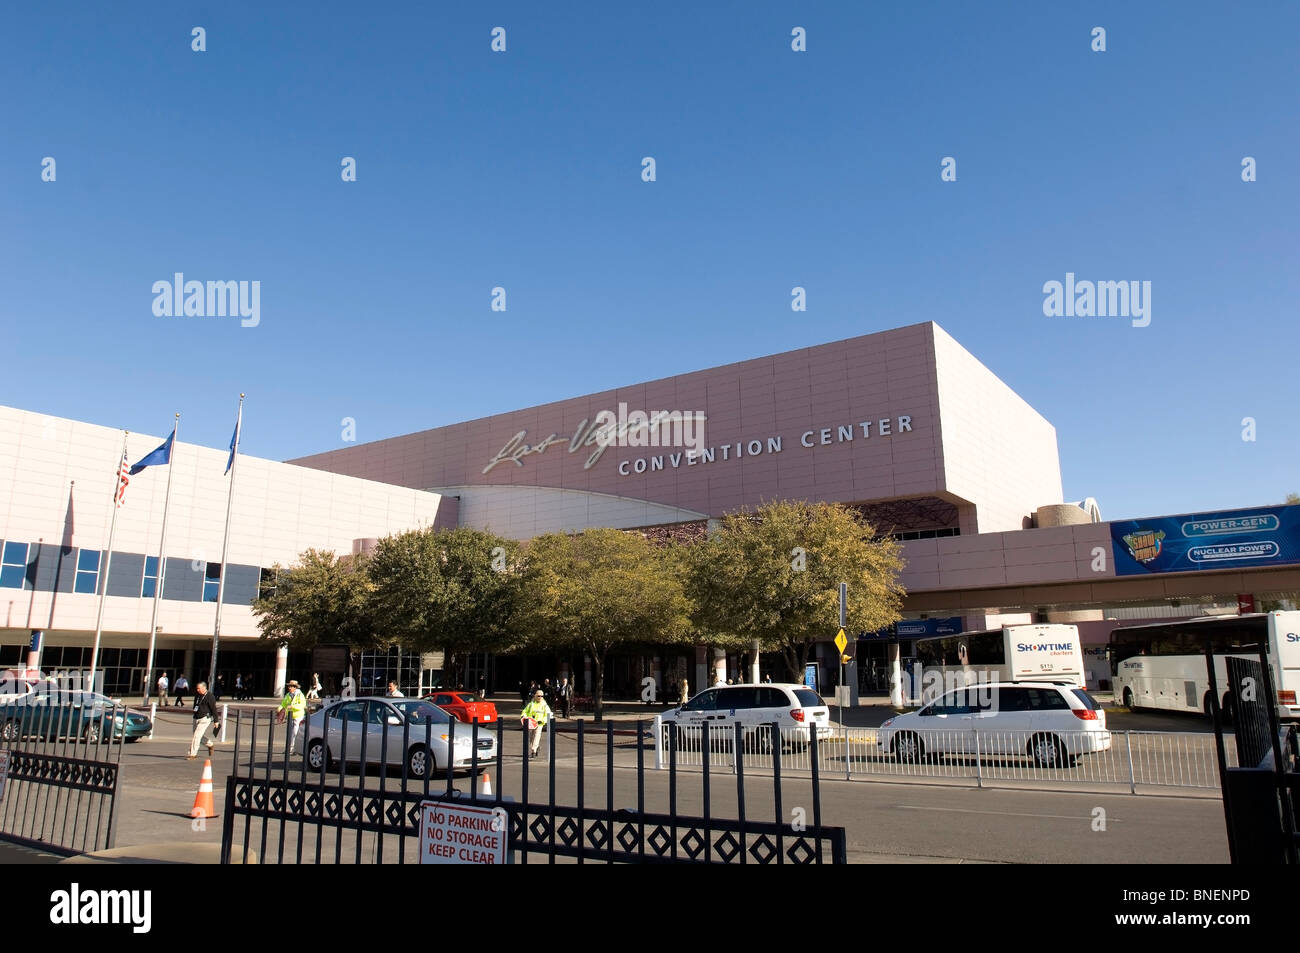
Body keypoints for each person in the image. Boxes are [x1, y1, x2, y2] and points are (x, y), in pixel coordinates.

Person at [188, 681, 220, 760]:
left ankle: (192, 754)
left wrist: (216, 721)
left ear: (204, 688)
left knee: (196, 736)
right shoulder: (197, 695)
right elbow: (195, 705)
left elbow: (214, 709)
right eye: (197, 688)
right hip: (196, 717)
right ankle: (210, 744)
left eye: (199, 688)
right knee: (197, 735)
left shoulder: (210, 696)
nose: (197, 690)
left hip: (205, 718)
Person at [521, 689, 553, 759]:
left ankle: (533, 751)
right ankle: (536, 747)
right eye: (538, 696)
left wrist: (542, 721)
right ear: (535, 696)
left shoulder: (544, 705)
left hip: (539, 724)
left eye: (542, 696)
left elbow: (548, 714)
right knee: (531, 738)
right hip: (531, 723)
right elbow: (525, 711)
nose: (540, 697)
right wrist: (523, 716)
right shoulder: (531, 704)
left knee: (536, 736)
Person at [276, 679, 307, 752]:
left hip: (298, 716)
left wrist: (292, 706)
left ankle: (293, 748)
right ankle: (289, 748)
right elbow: (283, 704)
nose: (289, 688)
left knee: (295, 733)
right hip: (290, 716)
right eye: (289, 686)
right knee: (289, 733)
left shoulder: (300, 695)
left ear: (295, 687)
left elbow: (302, 705)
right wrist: (279, 708)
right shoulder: (287, 695)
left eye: (291, 686)